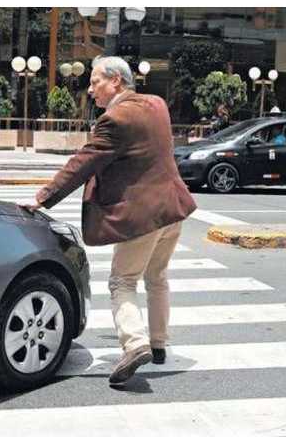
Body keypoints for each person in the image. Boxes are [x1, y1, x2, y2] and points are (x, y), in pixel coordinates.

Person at [21, 56, 197, 386]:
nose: (90, 89)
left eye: (95, 81)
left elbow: (82, 163)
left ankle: (134, 345)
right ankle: (159, 343)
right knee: (157, 277)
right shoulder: (157, 104)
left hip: (142, 216)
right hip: (172, 210)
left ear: (116, 81)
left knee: (122, 282)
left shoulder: (115, 118)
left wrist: (42, 197)